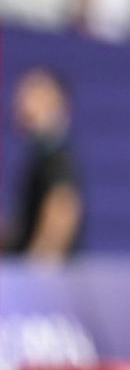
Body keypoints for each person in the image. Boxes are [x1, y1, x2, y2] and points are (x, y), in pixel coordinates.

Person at [5, 66, 85, 262]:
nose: (20, 101)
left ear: (53, 100)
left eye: (30, 93)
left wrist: (39, 265)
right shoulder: (40, 151)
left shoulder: (54, 151)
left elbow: (62, 207)